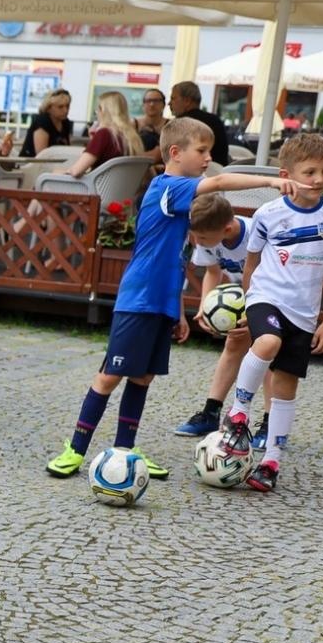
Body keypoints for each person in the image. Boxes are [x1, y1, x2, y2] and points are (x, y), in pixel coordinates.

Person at [43, 117, 295, 481]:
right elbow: (219, 183)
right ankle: (76, 449)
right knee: (110, 376)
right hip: (139, 300)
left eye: (210, 151)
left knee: (143, 377)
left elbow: (175, 262)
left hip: (160, 304)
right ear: (175, 153)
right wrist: (271, 182)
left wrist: (176, 311)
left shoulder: (180, 199)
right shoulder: (168, 186)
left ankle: (126, 450)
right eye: (202, 150)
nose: (208, 158)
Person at [214, 133, 323, 492]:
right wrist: (249, 303)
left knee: (285, 387)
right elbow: (251, 263)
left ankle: (271, 462)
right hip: (266, 296)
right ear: (286, 175)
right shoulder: (268, 214)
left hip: (305, 312)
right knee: (266, 342)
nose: (319, 179)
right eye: (310, 172)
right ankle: (238, 412)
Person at [174, 193, 258, 439]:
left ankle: (268, 424)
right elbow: (213, 272)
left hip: (269, 296)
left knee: (266, 355)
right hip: (240, 297)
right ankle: (210, 414)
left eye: (202, 238)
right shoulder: (209, 236)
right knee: (233, 346)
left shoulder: (255, 234)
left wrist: (254, 312)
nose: (198, 242)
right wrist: (205, 306)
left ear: (227, 229)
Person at [54, 91, 143, 178]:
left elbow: (76, 171)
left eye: (98, 109)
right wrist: (94, 139)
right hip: (122, 187)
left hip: (96, 186)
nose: (97, 113)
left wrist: (56, 172)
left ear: (103, 111)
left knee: (54, 173)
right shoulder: (132, 138)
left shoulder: (104, 134)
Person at [168, 81, 230, 167]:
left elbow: (169, 154)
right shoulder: (215, 120)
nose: (169, 103)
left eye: (173, 98)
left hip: (189, 172)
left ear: (187, 101)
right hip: (217, 171)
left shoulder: (180, 123)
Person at [19, 88, 73, 157]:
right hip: (30, 161)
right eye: (60, 107)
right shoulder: (42, 122)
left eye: (67, 106)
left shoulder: (65, 122)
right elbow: (41, 155)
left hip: (56, 161)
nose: (66, 110)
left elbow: (68, 149)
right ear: (48, 108)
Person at [136, 87, 168, 155]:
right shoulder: (133, 124)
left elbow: (159, 154)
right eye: (148, 101)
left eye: (156, 101)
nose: (152, 104)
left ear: (163, 104)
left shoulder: (170, 125)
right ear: (143, 105)